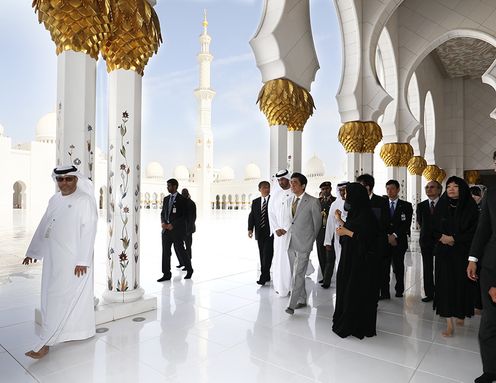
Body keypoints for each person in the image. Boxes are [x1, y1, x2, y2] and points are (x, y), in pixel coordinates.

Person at [22, 165, 98, 359]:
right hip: (53, 258)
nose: (64, 183)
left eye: (69, 179)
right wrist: (34, 251)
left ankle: (45, 343)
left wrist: (82, 260)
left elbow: (89, 230)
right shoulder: (54, 200)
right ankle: (74, 332)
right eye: (60, 179)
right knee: (51, 296)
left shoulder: (84, 200)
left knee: (60, 298)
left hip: (74, 261)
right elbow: (44, 226)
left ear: (76, 180)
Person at [332, 182, 380, 339]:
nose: (345, 196)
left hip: (361, 264)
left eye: (348, 193)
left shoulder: (367, 215)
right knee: (347, 289)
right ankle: (346, 320)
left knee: (355, 291)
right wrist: (340, 221)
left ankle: (355, 324)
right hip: (350, 259)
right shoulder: (356, 213)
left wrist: (346, 231)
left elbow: (368, 240)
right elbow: (354, 229)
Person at [434, 176, 478, 337]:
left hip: (462, 253)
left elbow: (475, 232)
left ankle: (460, 313)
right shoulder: (442, 205)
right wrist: (441, 238)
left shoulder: (470, 207)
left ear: (462, 188)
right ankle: (449, 323)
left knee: (461, 285)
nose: (451, 189)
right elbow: (432, 226)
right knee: (445, 285)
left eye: (455, 186)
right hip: (444, 253)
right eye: (449, 186)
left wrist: (454, 238)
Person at [468, 152, 496, 383]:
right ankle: (491, 370)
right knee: (490, 322)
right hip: (491, 267)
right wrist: (473, 259)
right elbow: (483, 228)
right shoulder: (492, 194)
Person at [283, 172, 322, 315]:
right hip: (291, 243)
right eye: (291, 182)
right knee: (295, 272)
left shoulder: (312, 201)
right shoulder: (290, 200)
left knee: (298, 274)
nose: (291, 185)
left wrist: (309, 242)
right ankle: (302, 299)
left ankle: (291, 305)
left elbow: (317, 225)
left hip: (304, 244)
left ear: (303, 185)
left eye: (295, 182)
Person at [356, 173, 390, 299]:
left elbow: (385, 222)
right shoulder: (358, 203)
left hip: (378, 241)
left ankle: (384, 292)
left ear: (368, 187)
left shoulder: (381, 202)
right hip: (362, 242)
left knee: (381, 269)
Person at [381, 179, 413, 298]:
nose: (389, 191)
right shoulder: (382, 204)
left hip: (399, 242)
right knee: (384, 268)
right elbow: (380, 223)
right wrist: (387, 237)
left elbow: (406, 224)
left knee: (398, 267)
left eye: (392, 188)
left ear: (398, 189)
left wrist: (394, 236)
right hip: (385, 241)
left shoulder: (406, 206)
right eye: (387, 189)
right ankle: (384, 292)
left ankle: (399, 289)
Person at [158, 178, 193, 281]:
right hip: (166, 231)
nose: (167, 188)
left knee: (181, 251)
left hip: (177, 231)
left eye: (169, 186)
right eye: (167, 186)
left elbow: (184, 216)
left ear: (175, 186)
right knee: (166, 252)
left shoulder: (182, 200)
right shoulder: (166, 199)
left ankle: (189, 269)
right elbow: (163, 213)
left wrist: (173, 224)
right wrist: (163, 222)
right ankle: (166, 274)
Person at [268, 169, 294, 296]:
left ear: (288, 179)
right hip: (279, 234)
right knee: (279, 259)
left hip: (291, 233)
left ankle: (290, 286)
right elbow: (271, 213)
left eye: (283, 179)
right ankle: (280, 286)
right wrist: (276, 228)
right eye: (278, 180)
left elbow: (296, 214)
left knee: (290, 260)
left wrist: (286, 228)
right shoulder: (275, 195)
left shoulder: (295, 193)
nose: (280, 182)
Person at [416, 180, 442, 302]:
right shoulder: (421, 206)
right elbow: (421, 222)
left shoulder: (445, 204)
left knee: (441, 268)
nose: (429, 189)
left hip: (441, 241)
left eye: (432, 187)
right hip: (426, 241)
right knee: (427, 268)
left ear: (439, 190)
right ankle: (429, 293)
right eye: (427, 187)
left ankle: (441, 293)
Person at [248, 181, 274, 285]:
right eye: (264, 188)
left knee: (267, 254)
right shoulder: (255, 202)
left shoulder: (273, 200)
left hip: (270, 233)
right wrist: (250, 229)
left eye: (268, 187)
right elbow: (252, 216)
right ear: (259, 189)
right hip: (260, 233)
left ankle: (263, 276)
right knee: (262, 254)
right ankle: (266, 275)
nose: (266, 189)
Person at [323, 181, 348, 288]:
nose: (343, 193)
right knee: (339, 261)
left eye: (345, 190)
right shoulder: (335, 204)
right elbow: (330, 223)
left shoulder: (354, 203)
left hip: (352, 238)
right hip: (338, 239)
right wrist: (328, 241)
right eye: (341, 190)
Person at [315, 181, 336, 288]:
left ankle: (327, 280)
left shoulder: (335, 201)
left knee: (330, 257)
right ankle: (324, 276)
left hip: (331, 233)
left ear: (330, 189)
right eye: (323, 189)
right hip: (319, 233)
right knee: (321, 256)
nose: (325, 191)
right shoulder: (317, 202)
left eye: (327, 189)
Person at [470, 185, 484, 313]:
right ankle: (475, 302)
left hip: (483, 249)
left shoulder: (485, 209)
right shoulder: (469, 210)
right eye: (471, 194)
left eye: (476, 194)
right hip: (471, 248)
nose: (473, 197)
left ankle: (480, 303)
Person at [176, 188, 196, 269]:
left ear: (187, 194)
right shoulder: (182, 203)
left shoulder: (191, 203)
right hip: (181, 229)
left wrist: (188, 229)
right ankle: (182, 262)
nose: (183, 195)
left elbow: (193, 218)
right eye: (182, 193)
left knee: (188, 247)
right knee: (179, 246)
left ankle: (188, 264)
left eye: (184, 193)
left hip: (188, 229)